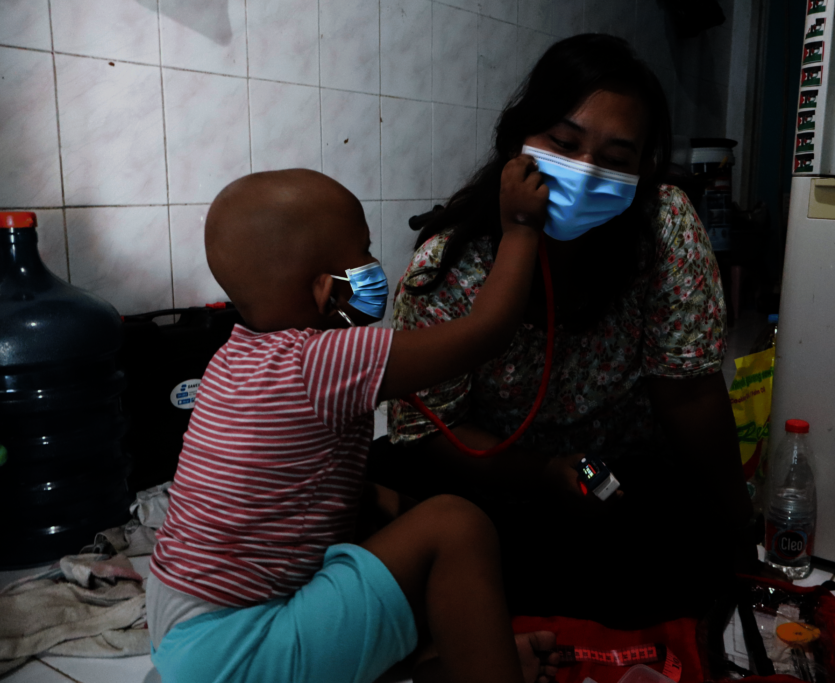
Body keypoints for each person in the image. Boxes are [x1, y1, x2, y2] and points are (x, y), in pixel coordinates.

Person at [377, 34, 756, 628]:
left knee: (683, 563)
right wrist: (544, 472)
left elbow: (689, 395)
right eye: (563, 143)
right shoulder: (449, 269)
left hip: (620, 477)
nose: (583, 173)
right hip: (496, 477)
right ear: (517, 141)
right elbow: (429, 432)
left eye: (616, 157)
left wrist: (740, 529)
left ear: (644, 169)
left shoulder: (664, 227)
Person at [146, 168, 561, 683]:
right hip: (240, 650)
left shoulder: (234, 359)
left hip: (180, 630)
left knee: (382, 510)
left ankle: (455, 659)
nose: (375, 266)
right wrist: (521, 227)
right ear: (328, 291)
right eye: (364, 253)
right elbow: (487, 332)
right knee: (456, 525)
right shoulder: (322, 358)